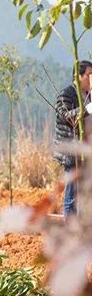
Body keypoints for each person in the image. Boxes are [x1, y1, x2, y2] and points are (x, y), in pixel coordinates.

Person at [54, 60, 92, 217]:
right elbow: (67, 118)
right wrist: (88, 108)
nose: (91, 79)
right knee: (72, 197)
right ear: (78, 76)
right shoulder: (66, 94)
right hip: (72, 153)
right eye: (89, 75)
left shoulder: (88, 95)